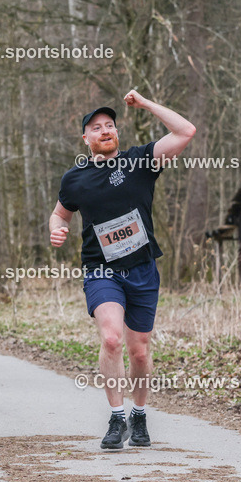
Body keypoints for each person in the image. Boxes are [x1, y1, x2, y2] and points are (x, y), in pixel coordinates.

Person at [49, 91, 196, 450]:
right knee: (112, 338)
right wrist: (56, 228)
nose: (105, 131)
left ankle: (139, 414)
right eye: (96, 128)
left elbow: (185, 131)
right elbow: (60, 213)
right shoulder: (75, 178)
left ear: (117, 133)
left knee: (140, 352)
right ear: (85, 139)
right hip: (102, 270)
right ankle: (116, 419)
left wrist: (146, 104)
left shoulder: (140, 162)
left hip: (142, 268)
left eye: (110, 126)